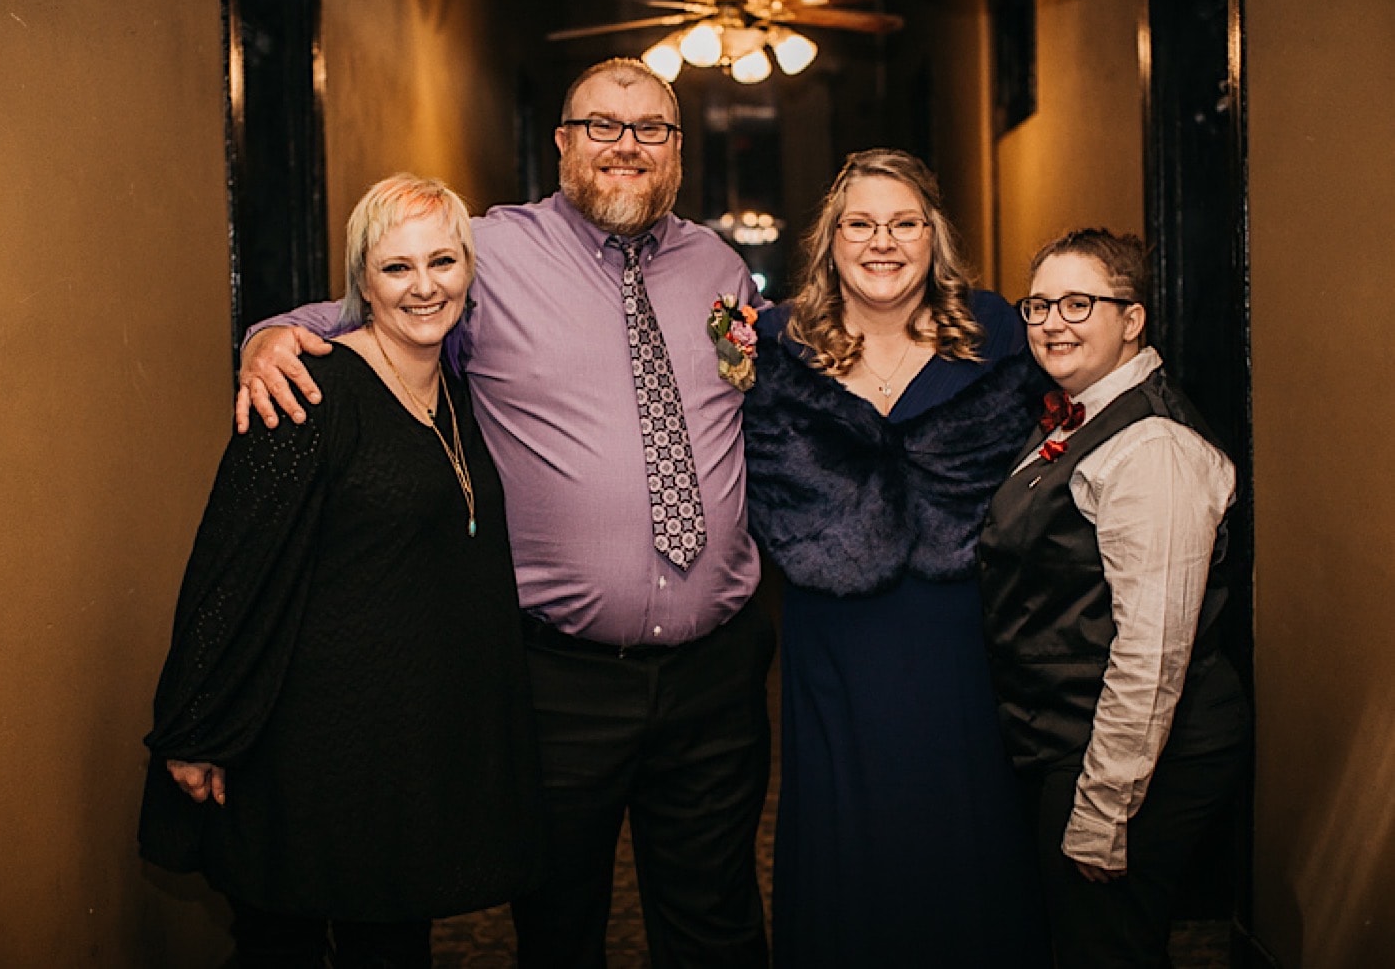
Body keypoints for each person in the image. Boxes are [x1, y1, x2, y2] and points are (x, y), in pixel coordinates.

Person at [236, 59, 776, 968]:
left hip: (716, 677)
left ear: (678, 152)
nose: (626, 146)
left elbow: (748, 387)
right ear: (562, 142)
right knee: (560, 926)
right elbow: (358, 305)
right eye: (602, 125)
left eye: (651, 129)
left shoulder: (720, 265)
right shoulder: (486, 253)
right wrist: (268, 337)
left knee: (716, 919)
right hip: (558, 680)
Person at [138, 173, 543, 968]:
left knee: (393, 941)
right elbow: (231, 565)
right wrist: (194, 728)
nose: (425, 287)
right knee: (282, 943)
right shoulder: (307, 393)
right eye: (397, 268)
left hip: (399, 751)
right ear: (361, 280)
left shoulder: (452, 391)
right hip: (306, 754)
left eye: (443, 261)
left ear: (469, 269)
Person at [742, 148, 1052, 966]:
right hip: (831, 637)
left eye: (905, 222)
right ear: (830, 239)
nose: (884, 241)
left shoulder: (1003, 337)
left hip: (958, 633)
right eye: (862, 224)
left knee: (963, 828)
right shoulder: (771, 347)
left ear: (934, 235)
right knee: (847, 830)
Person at [979, 229, 1251, 967]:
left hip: (1136, 752)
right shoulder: (1083, 414)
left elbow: (1154, 650)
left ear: (1132, 318)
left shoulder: (1152, 447)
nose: (1052, 323)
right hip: (1075, 735)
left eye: (1079, 303)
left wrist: (1104, 808)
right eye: (1038, 305)